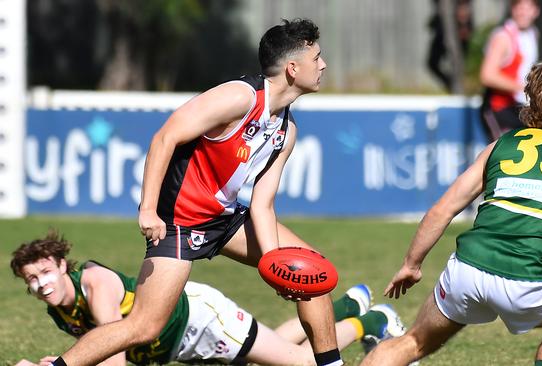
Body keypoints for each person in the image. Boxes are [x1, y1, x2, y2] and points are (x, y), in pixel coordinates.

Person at [46, 18, 344, 366]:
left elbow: (262, 206)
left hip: (224, 219)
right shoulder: (239, 97)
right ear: (293, 68)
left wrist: (275, 265)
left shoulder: (286, 130)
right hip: (180, 222)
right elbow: (165, 138)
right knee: (143, 326)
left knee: (314, 274)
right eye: (317, 57)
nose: (323, 65)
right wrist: (148, 209)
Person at [361, 56, 542, 366]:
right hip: (528, 283)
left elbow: (442, 209)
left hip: (467, 272)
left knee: (414, 342)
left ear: (531, 93)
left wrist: (412, 264)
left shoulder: (501, 144)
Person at [11, 232, 407, 366]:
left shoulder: (94, 285)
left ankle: (373, 322)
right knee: (274, 345)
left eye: (45, 272)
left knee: (302, 362)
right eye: (32, 279)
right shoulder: (59, 309)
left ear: (63, 264)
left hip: (201, 321)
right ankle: (349, 306)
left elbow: (113, 356)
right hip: (181, 340)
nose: (42, 284)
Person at [479, 0, 539, 141]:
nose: (523, 12)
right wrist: (524, 87)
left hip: (519, 108)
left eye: (528, 8)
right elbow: (487, 75)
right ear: (512, 9)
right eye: (519, 7)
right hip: (498, 108)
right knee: (501, 157)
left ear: (536, 11)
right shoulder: (503, 37)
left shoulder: (533, 34)